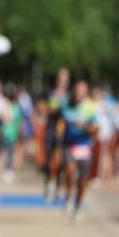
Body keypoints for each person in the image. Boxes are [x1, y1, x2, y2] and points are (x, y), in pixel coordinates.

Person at [61, 79, 99, 223]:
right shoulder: (67, 103)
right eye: (78, 88)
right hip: (69, 144)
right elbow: (62, 119)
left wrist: (84, 126)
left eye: (83, 89)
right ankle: (69, 197)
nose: (79, 91)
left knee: (83, 180)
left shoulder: (90, 106)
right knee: (70, 171)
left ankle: (78, 205)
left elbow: (95, 127)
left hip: (84, 145)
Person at [43, 68, 71, 202]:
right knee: (50, 160)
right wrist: (55, 107)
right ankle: (49, 184)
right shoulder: (51, 94)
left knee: (62, 161)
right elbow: (45, 109)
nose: (63, 83)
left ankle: (59, 186)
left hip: (65, 131)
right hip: (52, 129)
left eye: (66, 80)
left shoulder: (70, 96)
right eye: (61, 80)